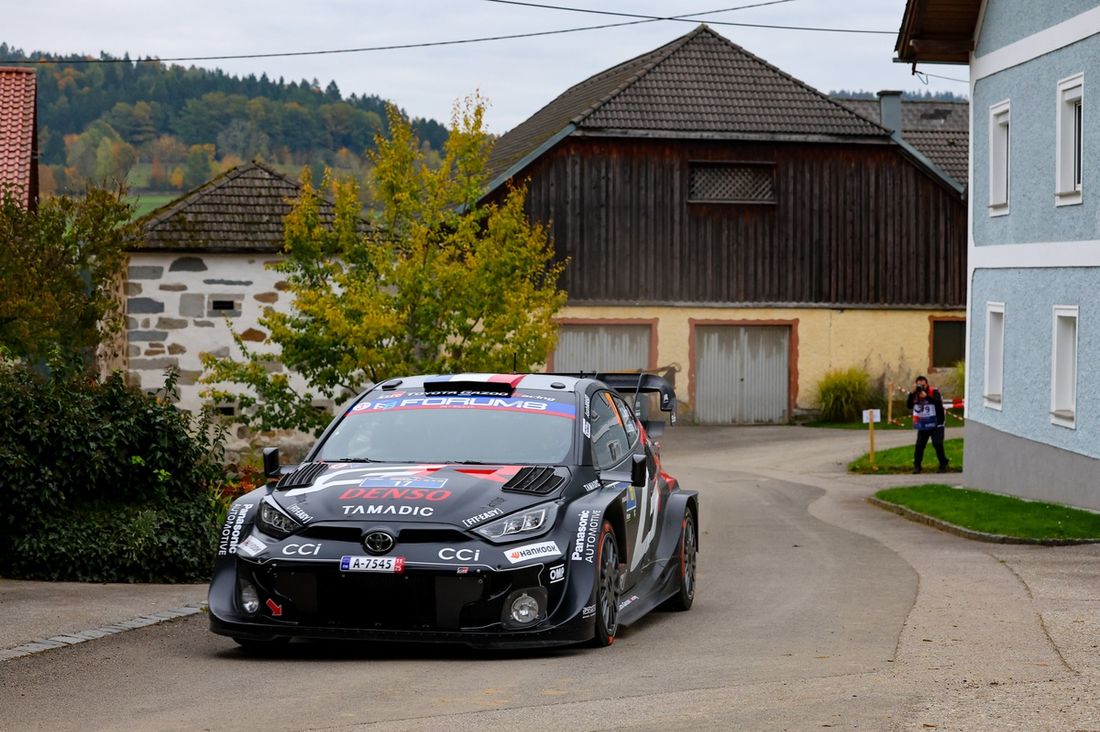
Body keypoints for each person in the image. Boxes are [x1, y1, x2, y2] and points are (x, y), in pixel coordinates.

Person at [906, 375, 948, 474]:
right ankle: (917, 466)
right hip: (923, 424)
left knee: (937, 444)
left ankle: (943, 463)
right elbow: (908, 406)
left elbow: (938, 403)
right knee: (919, 446)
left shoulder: (934, 391)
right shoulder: (915, 394)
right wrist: (911, 394)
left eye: (923, 385)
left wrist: (927, 397)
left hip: (936, 423)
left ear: (927, 384)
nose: (921, 388)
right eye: (919, 386)